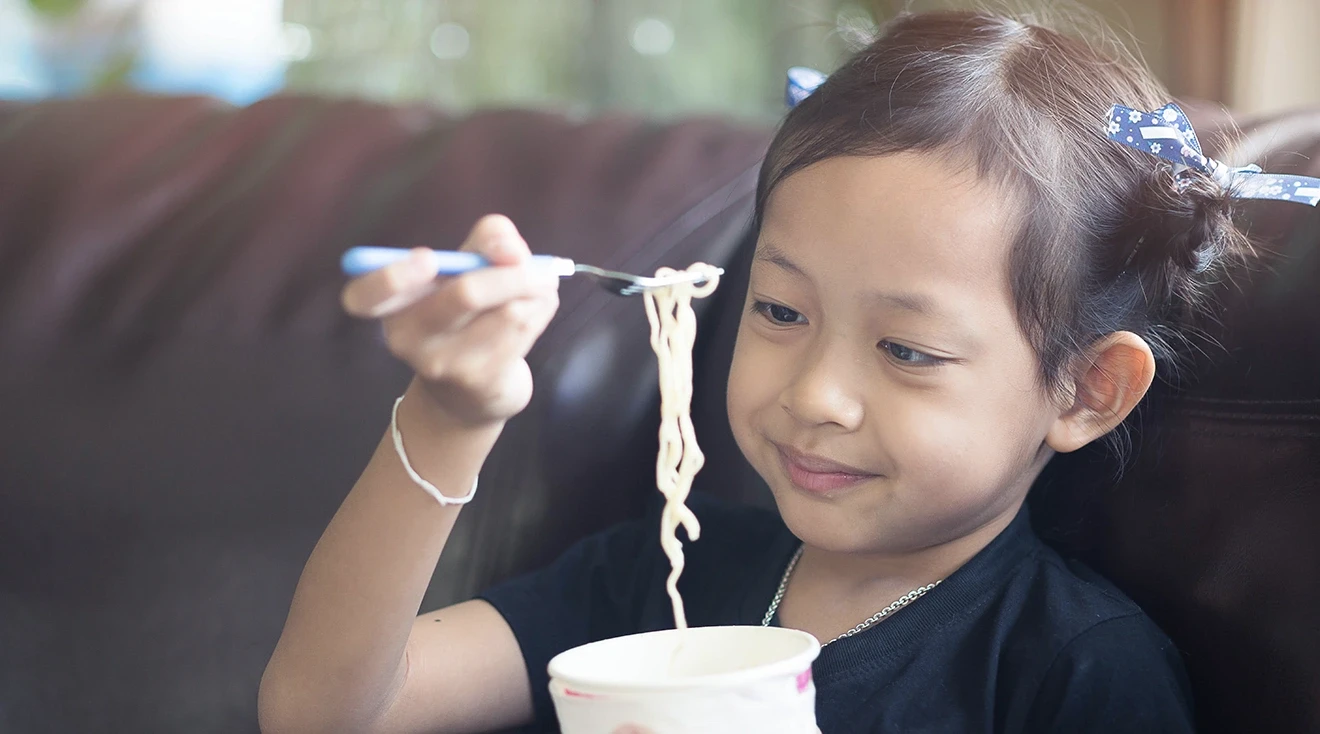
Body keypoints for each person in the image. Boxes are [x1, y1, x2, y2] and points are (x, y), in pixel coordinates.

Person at [257, 10, 1279, 733]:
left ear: (1085, 388)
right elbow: (326, 708)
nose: (813, 395)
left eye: (907, 349)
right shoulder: (655, 588)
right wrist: (448, 413)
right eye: (782, 310)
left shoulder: (1075, 666)